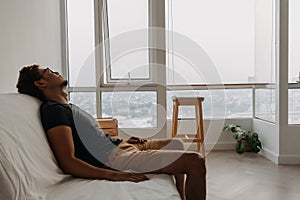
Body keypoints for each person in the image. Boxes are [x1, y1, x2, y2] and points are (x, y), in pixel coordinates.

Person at [16, 64, 206, 200]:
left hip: (121, 147)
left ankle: (181, 196)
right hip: (116, 159)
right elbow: (68, 160)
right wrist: (113, 175)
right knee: (195, 161)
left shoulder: (66, 106)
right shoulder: (53, 110)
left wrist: (122, 140)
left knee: (177, 143)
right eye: (47, 71)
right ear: (40, 84)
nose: (54, 71)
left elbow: (93, 138)